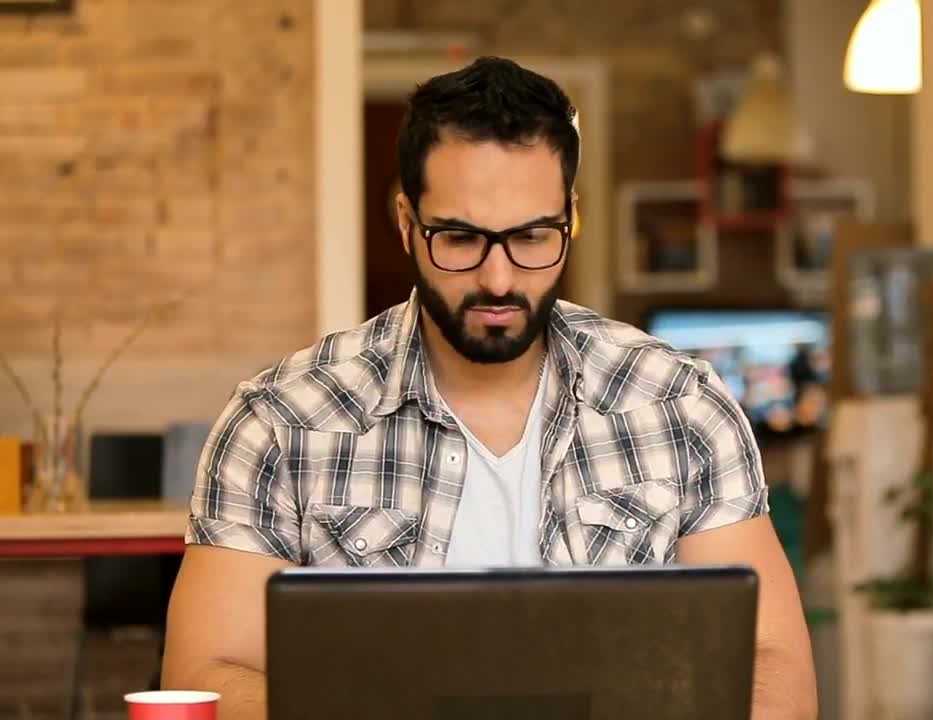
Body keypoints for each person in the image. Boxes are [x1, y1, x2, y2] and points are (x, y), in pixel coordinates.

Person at [160, 57, 817, 720]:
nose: (499, 280)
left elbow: (774, 666)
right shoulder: (280, 420)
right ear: (406, 221)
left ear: (570, 218)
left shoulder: (680, 404)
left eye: (532, 236)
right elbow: (203, 678)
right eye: (460, 238)